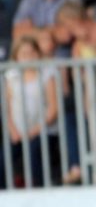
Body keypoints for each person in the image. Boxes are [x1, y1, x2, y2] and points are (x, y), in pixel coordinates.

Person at [3, 36, 59, 187]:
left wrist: (33, 132)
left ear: (38, 54)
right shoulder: (11, 76)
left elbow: (53, 109)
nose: (29, 57)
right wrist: (13, 131)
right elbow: (6, 108)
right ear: (16, 57)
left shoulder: (47, 74)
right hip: (17, 133)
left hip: (43, 130)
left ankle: (39, 189)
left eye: (32, 52)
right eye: (24, 54)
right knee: (3, 159)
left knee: (33, 154)